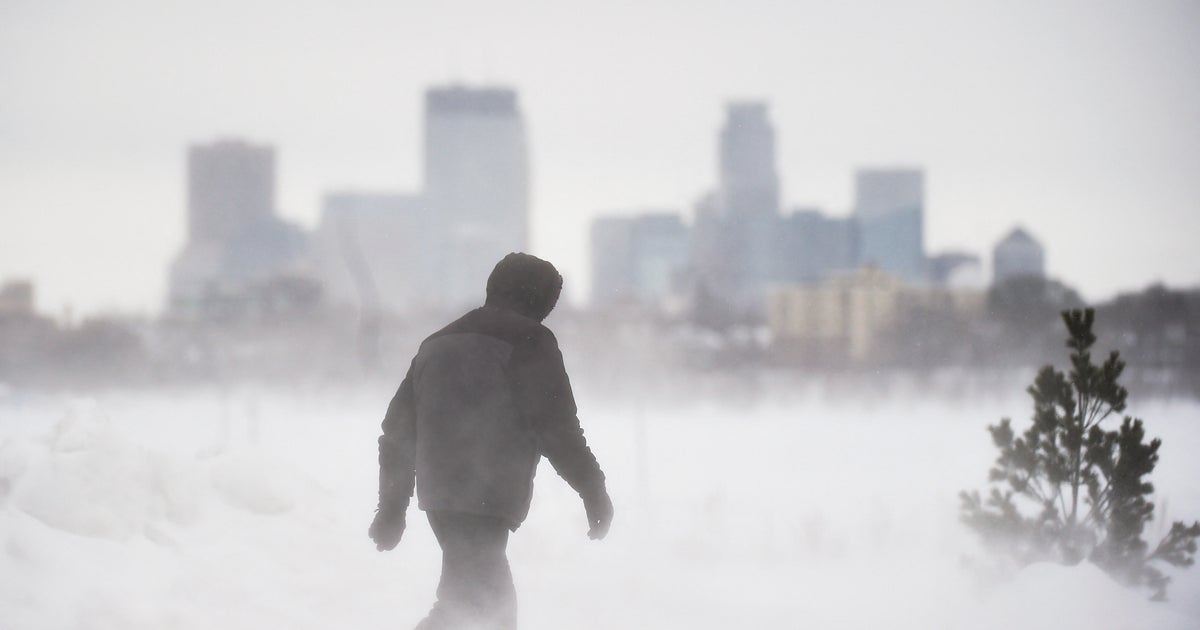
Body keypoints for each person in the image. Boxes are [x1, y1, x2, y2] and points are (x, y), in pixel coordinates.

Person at [369, 252, 613, 630]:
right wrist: (593, 489)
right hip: (486, 495)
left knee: (477, 608)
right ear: (537, 299)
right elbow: (557, 428)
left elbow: (398, 431)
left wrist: (391, 508)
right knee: (479, 610)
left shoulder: (437, 342)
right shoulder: (530, 340)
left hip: (440, 496)